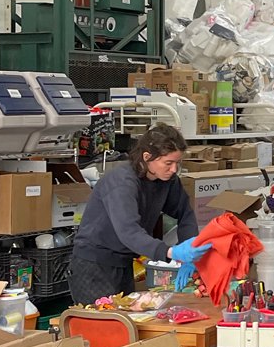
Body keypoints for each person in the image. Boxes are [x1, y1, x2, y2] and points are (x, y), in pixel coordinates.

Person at [69, 124, 212, 305]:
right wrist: (171, 252)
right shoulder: (122, 182)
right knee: (105, 325)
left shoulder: (166, 180)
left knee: (129, 322)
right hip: (94, 266)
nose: (174, 169)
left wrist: (190, 248)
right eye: (168, 163)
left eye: (178, 163)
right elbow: (129, 232)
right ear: (147, 157)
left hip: (123, 262)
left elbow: (185, 213)